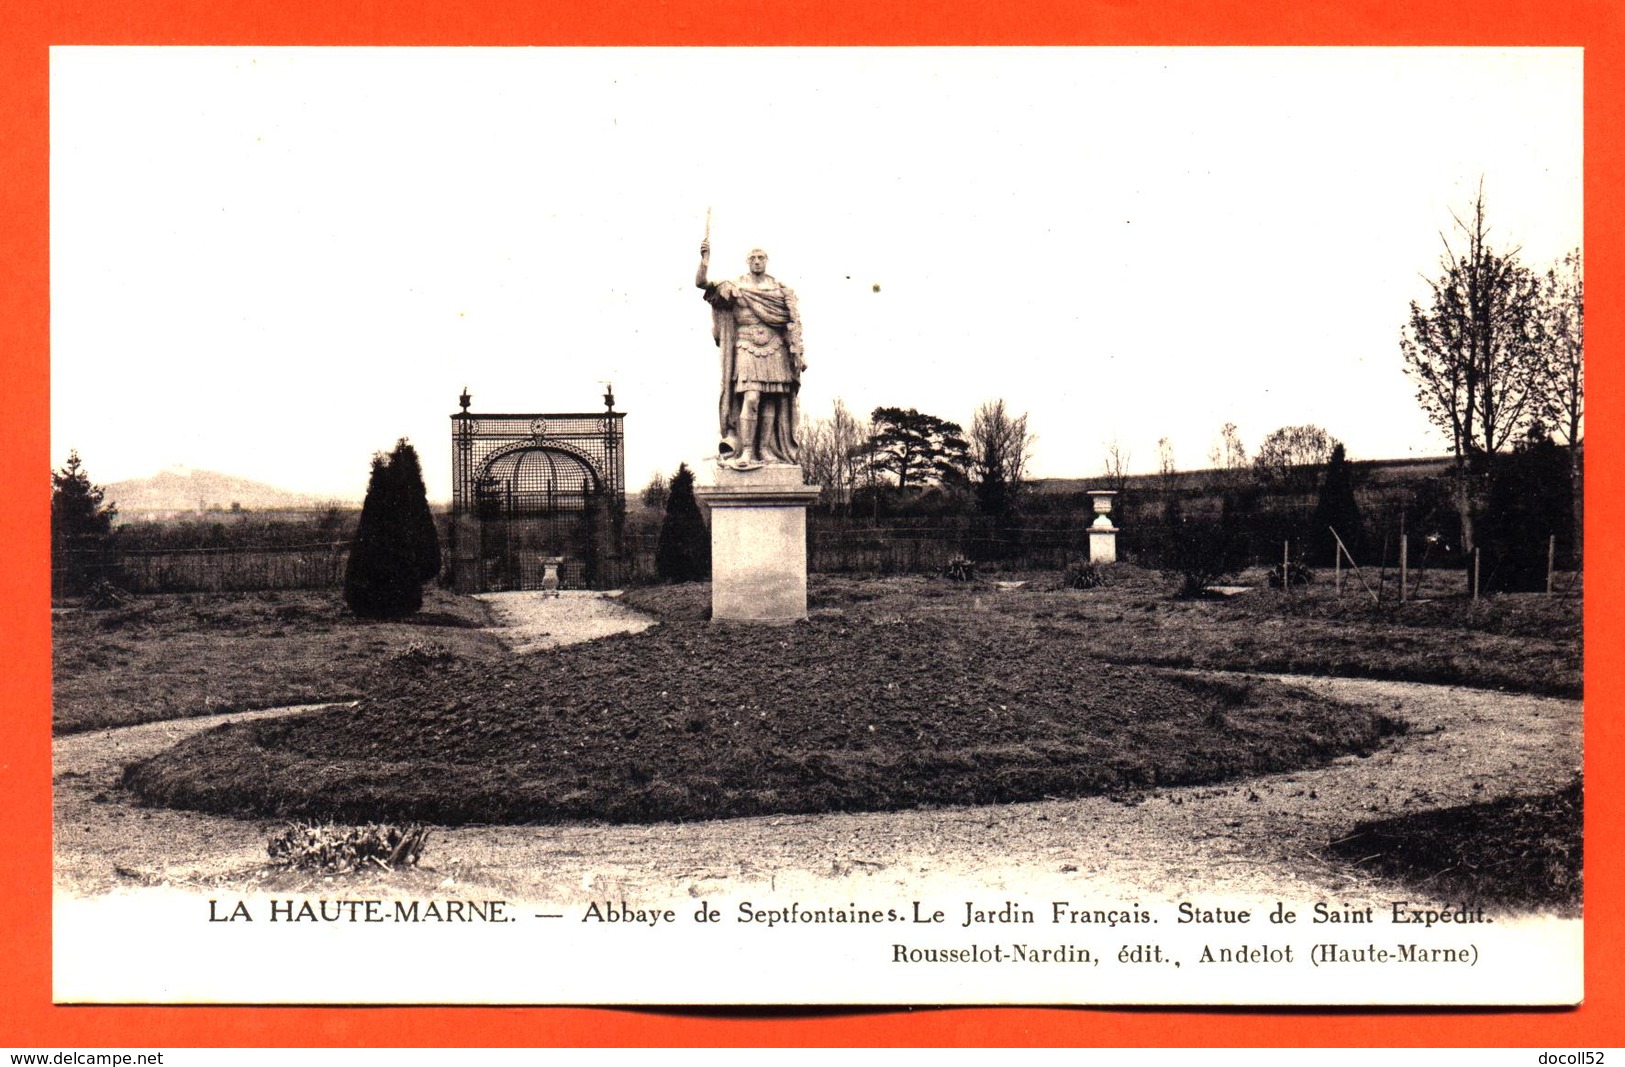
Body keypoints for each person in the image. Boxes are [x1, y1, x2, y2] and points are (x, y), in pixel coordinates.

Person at [696, 241, 806, 469]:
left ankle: (764, 450)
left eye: (761, 257)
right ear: (747, 261)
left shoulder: (779, 290)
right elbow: (702, 284)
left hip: (775, 348)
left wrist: (798, 352)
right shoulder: (736, 286)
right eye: (753, 258)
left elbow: (791, 324)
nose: (757, 261)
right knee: (752, 397)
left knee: (771, 401)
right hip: (746, 346)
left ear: (766, 261)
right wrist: (704, 261)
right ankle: (746, 451)